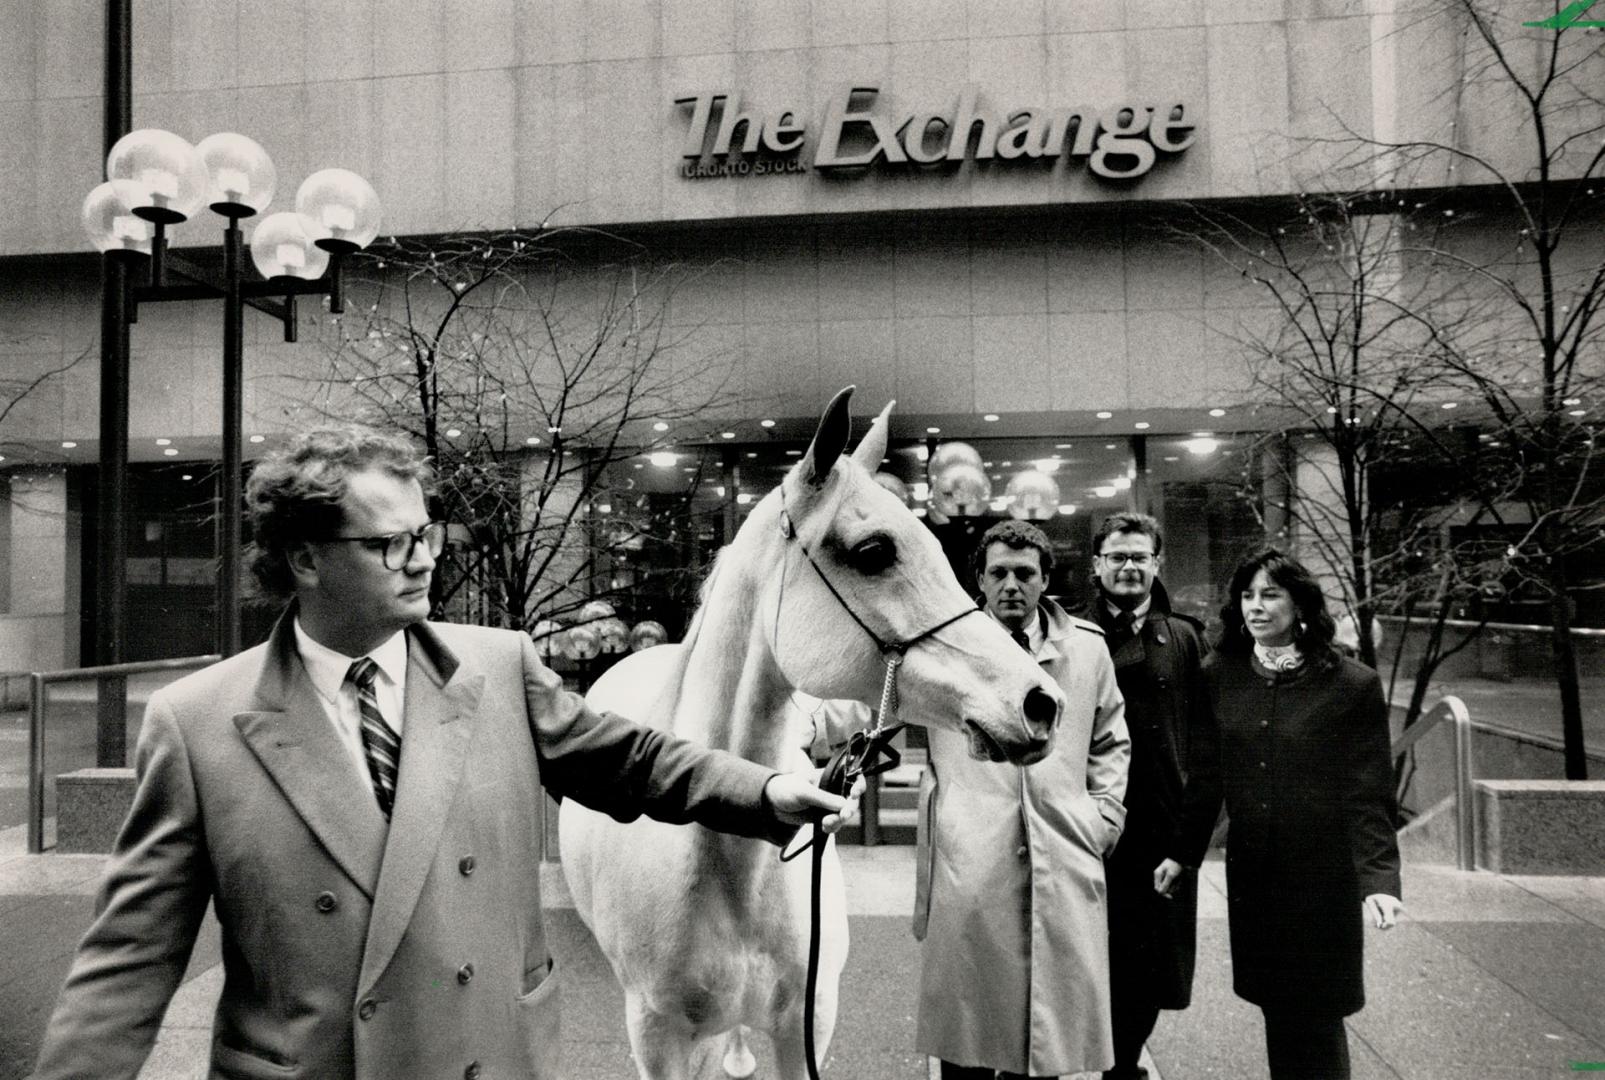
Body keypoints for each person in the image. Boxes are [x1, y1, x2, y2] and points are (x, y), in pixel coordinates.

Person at [32, 425, 855, 1080]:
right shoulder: (197, 722)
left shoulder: (498, 666)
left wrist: (765, 791)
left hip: (487, 1057)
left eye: (424, 532)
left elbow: (634, 762)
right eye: (390, 543)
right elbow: (133, 953)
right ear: (305, 559)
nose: (424, 557)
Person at [1155, 546, 1404, 1080]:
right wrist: (1182, 853)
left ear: (1301, 605)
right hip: (1257, 877)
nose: (1255, 606)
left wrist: (1379, 879)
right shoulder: (1218, 674)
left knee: (1317, 1012)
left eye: (1270, 594)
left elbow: (1367, 791)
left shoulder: (1350, 683)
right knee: (1278, 1006)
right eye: (1247, 595)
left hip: (1322, 878)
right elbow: (1207, 776)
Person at [914, 519, 1130, 1080]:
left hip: (1062, 848)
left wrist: (1102, 815)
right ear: (979, 581)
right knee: (967, 1032)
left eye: (1025, 573)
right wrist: (807, 728)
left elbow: (1110, 736)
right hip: (971, 853)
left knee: (1042, 1037)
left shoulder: (1086, 649)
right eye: (999, 573)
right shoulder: (944, 645)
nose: (1012, 584)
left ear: (1045, 580)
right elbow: (879, 704)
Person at [1082, 512, 1207, 1080]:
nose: (1129, 567)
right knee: (1084, 955)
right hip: (1086, 825)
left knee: (1150, 963)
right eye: (1117, 556)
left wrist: (1189, 838)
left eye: (1140, 557)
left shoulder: (1185, 637)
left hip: (1158, 828)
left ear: (1157, 565)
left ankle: (1124, 1065)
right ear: (1097, 564)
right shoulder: (1068, 630)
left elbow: (1204, 739)